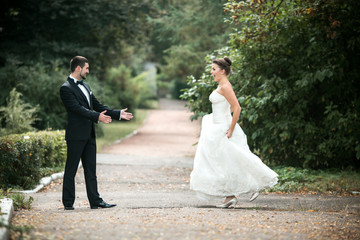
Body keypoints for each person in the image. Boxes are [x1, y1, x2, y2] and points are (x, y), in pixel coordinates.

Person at [190, 57, 278, 208]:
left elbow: (237, 108)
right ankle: (230, 196)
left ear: (222, 71)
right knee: (225, 161)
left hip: (223, 129)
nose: (212, 72)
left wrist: (230, 128)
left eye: (213, 69)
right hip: (217, 125)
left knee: (234, 159)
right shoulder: (222, 85)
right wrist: (222, 117)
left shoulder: (225, 86)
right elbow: (228, 107)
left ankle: (256, 184)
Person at [60, 56, 133, 210]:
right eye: (86, 68)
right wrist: (96, 117)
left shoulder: (86, 86)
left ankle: (95, 201)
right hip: (75, 135)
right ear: (78, 68)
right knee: (71, 169)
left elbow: (97, 105)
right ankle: (68, 203)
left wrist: (118, 114)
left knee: (91, 170)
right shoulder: (65, 88)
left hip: (89, 134)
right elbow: (76, 109)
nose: (88, 70)